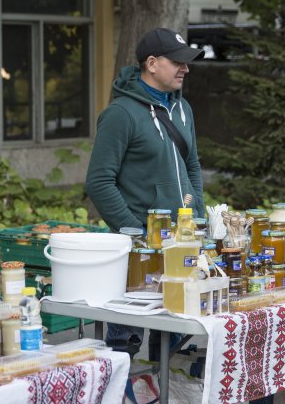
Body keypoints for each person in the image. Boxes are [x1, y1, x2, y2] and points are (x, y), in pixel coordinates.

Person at [85, 27, 205, 358]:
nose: (186, 68)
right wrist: (135, 232)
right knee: (125, 347)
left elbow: (192, 166)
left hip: (182, 243)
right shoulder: (120, 115)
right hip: (140, 254)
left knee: (174, 343)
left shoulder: (184, 110)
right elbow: (98, 181)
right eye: (177, 61)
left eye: (187, 62)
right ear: (151, 64)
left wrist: (198, 216)